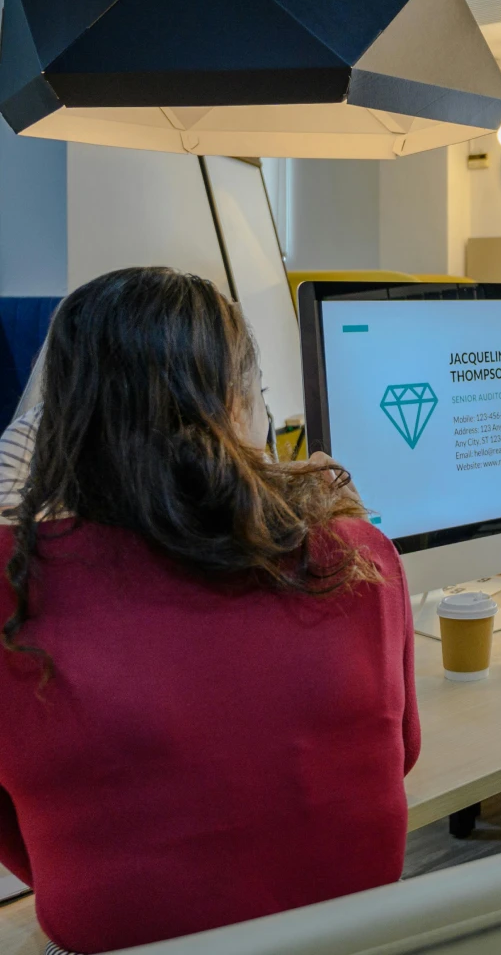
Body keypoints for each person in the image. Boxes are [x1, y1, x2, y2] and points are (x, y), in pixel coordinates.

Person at [0, 267, 420, 955]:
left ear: (63, 418)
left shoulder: (17, 582)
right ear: (240, 402)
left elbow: (27, 844)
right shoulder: (359, 555)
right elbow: (397, 757)